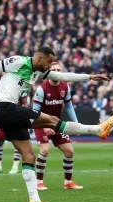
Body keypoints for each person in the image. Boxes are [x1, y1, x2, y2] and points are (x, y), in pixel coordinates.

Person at [0, 46, 113, 202]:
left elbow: (62, 76)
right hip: (6, 108)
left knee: (29, 156)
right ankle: (98, 130)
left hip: (7, 115)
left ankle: (34, 201)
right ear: (39, 58)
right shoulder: (19, 61)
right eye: (49, 61)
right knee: (52, 121)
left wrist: (89, 77)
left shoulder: (38, 72)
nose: (50, 66)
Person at [33, 62, 83, 190]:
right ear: (48, 72)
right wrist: (44, 126)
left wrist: (76, 124)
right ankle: (38, 182)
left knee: (69, 152)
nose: (56, 72)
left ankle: (68, 182)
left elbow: (69, 106)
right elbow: (35, 112)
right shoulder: (41, 89)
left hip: (56, 123)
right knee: (44, 150)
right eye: (54, 70)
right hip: (40, 123)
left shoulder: (65, 86)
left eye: (58, 70)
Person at [0, 92, 28, 174]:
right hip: (4, 118)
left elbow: (25, 104)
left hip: (16, 119)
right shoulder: (2, 89)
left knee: (17, 142)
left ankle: (15, 167)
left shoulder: (21, 89)